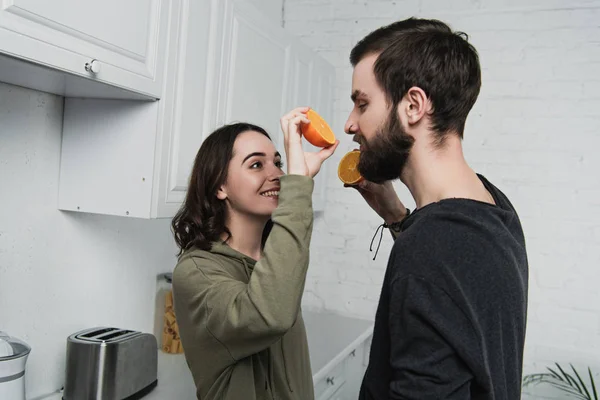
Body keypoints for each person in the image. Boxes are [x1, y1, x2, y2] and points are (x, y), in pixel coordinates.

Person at [343, 18, 529, 399]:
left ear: (413, 105)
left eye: (362, 104)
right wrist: (398, 219)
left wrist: (413, 236)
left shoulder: (431, 248)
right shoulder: (493, 206)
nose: (350, 125)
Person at [170, 108, 338, 400]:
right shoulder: (197, 270)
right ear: (220, 186)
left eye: (278, 162)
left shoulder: (273, 259)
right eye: (257, 165)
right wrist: (297, 184)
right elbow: (269, 315)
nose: (276, 175)